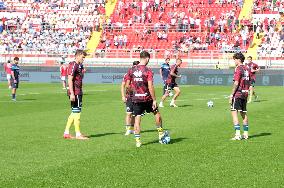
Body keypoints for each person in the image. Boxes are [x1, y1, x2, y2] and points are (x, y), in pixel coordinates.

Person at [125, 51, 166, 147]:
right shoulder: (148, 71)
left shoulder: (131, 70)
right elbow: (150, 86)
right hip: (147, 98)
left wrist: (133, 93)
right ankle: (160, 135)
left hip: (136, 99)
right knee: (157, 114)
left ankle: (138, 141)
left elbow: (127, 86)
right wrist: (154, 99)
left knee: (137, 119)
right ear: (147, 58)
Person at [63, 50, 89, 140]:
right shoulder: (73, 65)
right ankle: (78, 134)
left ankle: (66, 133)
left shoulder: (80, 65)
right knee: (77, 113)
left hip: (78, 91)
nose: (83, 59)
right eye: (83, 57)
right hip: (75, 92)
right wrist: (72, 93)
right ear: (78, 56)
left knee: (74, 112)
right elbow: (70, 79)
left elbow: (79, 77)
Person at [229, 52, 251, 140]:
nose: (234, 61)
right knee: (243, 113)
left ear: (238, 59)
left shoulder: (238, 68)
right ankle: (246, 134)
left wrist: (231, 95)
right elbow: (249, 82)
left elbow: (236, 82)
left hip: (238, 94)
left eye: (234, 59)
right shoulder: (246, 68)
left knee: (234, 113)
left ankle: (237, 135)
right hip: (245, 93)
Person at [121, 61, 140, 136]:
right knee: (128, 113)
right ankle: (128, 129)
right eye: (135, 66)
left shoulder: (140, 74)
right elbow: (123, 85)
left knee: (135, 114)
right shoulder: (127, 74)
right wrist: (123, 96)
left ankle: (132, 129)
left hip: (137, 97)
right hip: (129, 97)